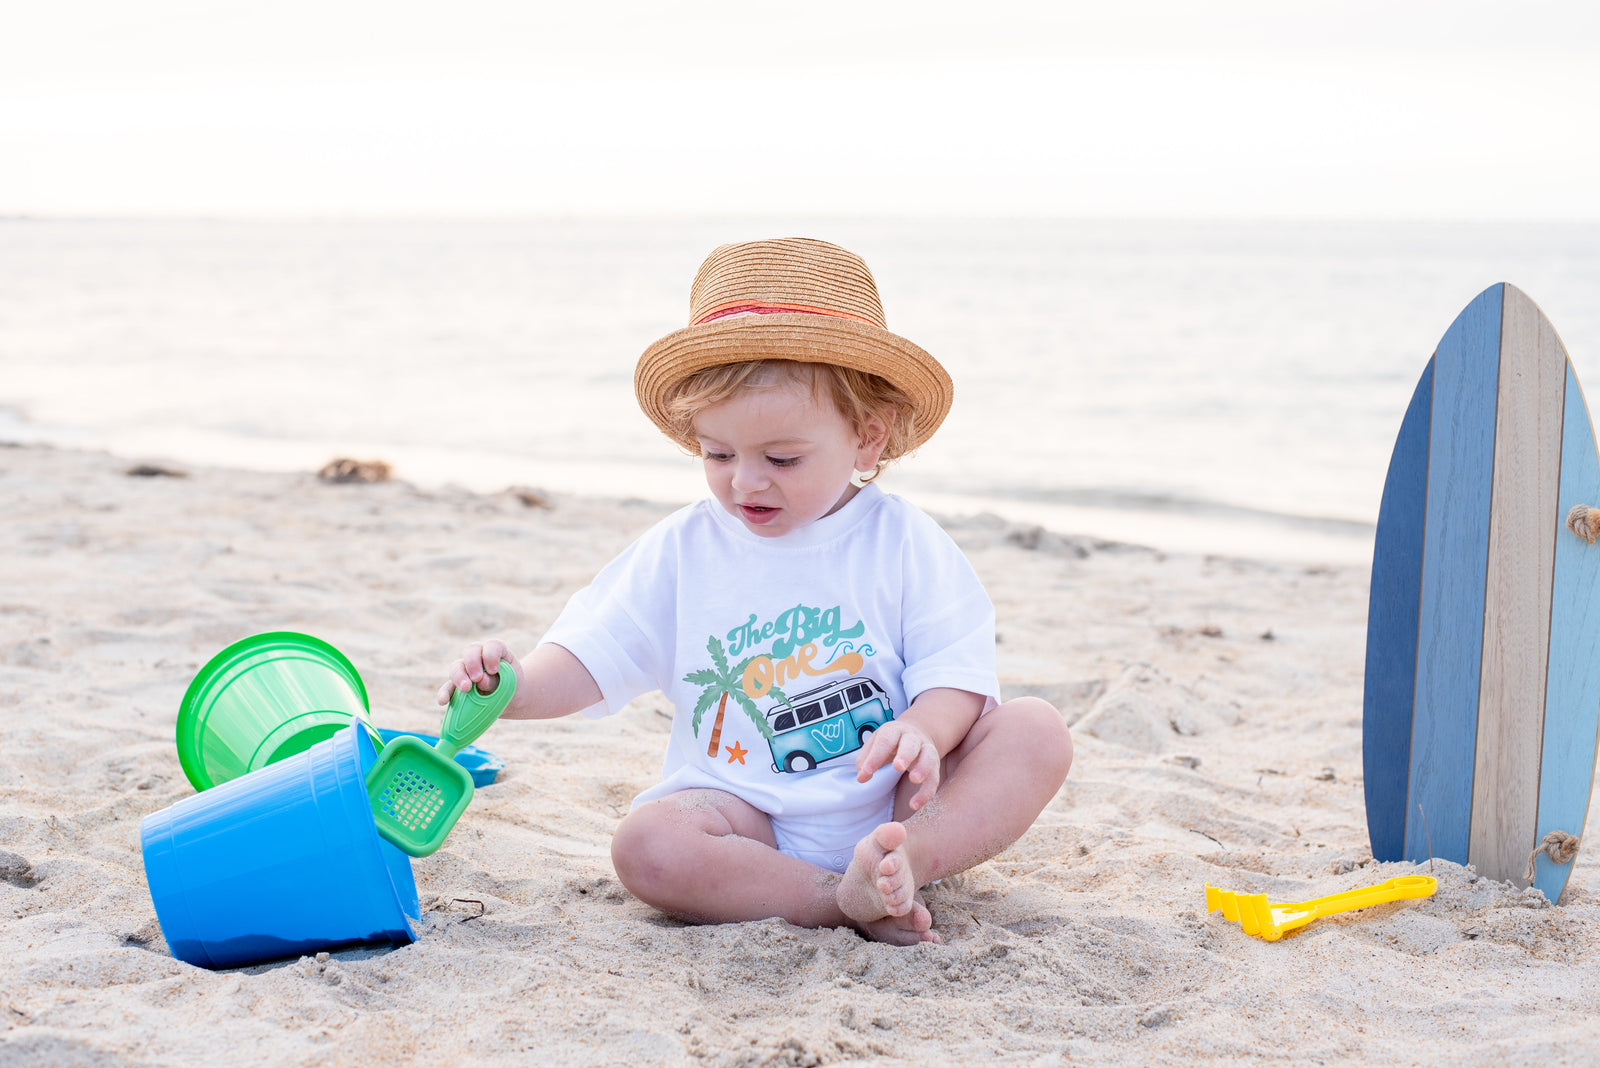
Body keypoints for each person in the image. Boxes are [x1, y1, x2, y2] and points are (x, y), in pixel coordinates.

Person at [440, 238, 1073, 945]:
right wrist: (512, 687)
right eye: (717, 454)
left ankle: (906, 861)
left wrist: (924, 731)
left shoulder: (903, 541)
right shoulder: (683, 550)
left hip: (899, 798)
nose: (744, 482)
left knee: (1035, 732)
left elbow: (955, 671)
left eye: (782, 458)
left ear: (867, 440)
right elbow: (594, 655)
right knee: (648, 844)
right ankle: (836, 900)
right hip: (749, 818)